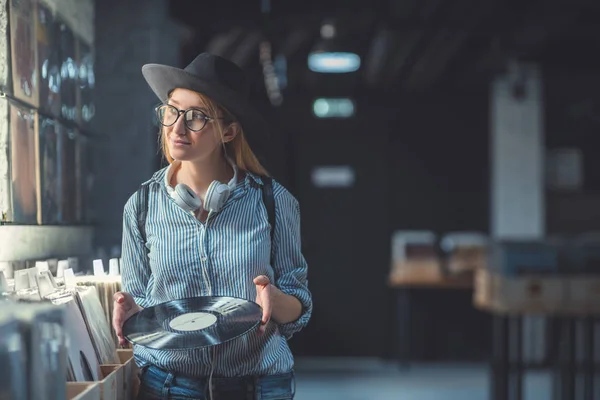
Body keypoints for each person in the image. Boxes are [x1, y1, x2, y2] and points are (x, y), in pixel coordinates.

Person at [112, 53, 312, 400]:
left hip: (259, 386)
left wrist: (273, 299)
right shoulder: (140, 207)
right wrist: (134, 316)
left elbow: (299, 305)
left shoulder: (274, 202)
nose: (177, 127)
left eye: (196, 117)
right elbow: (145, 307)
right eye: (171, 110)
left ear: (229, 131)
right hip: (169, 387)